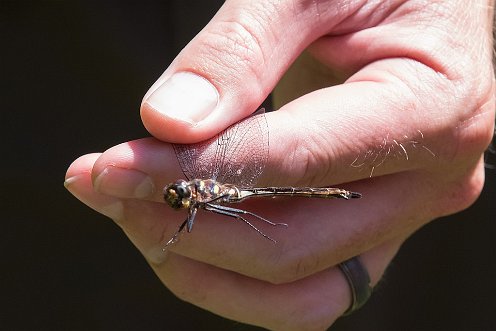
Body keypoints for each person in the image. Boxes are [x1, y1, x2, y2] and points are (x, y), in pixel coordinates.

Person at [64, 1, 495, 329]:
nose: (175, 196)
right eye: (177, 197)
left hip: (421, 182)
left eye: (176, 193)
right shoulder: (198, 188)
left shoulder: (199, 193)